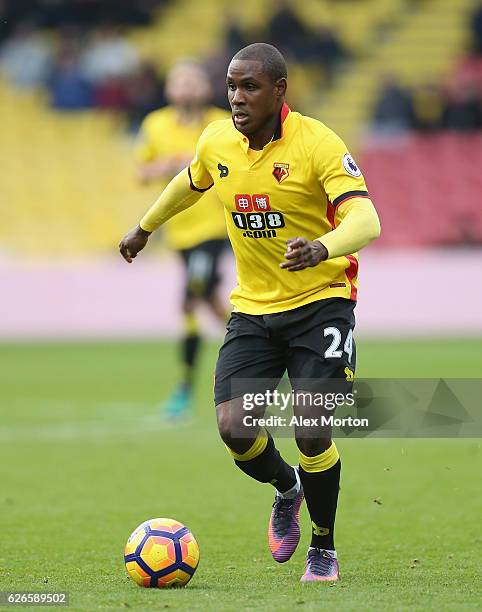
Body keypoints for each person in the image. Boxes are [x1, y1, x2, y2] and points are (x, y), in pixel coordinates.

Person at [120, 43, 380, 582]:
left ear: (280, 90)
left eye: (250, 87)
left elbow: (367, 220)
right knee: (233, 427)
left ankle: (324, 548)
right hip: (255, 309)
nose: (237, 98)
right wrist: (145, 227)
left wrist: (324, 246)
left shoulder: (318, 143)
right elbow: (189, 182)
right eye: (232, 87)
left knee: (312, 428)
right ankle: (288, 488)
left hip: (322, 302)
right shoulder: (217, 139)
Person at [135, 60, 230, 418]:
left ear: (205, 89)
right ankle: (270, 351)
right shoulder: (155, 124)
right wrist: (161, 167)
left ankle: (184, 389)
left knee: (190, 301)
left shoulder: (222, 123)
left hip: (215, 226)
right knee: (211, 302)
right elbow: (140, 171)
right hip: (179, 231)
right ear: (169, 89)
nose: (186, 88)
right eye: (180, 82)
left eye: (193, 82)